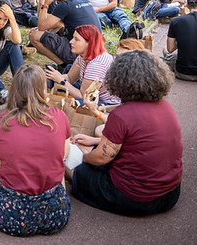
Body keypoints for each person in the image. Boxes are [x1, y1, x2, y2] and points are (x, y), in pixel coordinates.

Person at [69, 50, 182, 216]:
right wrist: (94, 141)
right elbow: (138, 140)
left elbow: (102, 157)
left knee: (80, 170)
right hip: (170, 193)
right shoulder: (166, 107)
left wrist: (83, 157)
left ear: (119, 80)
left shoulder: (122, 115)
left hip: (134, 198)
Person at [0, 65, 71, 237]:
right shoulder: (60, 117)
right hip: (55, 214)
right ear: (44, 89)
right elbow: (63, 156)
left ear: (14, 89)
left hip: (12, 215)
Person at [29, 0, 101, 67]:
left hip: (78, 54)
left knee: (34, 35)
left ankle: (62, 65)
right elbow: (55, 22)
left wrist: (46, 4)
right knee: (58, 25)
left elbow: (41, 27)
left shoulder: (65, 5)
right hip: (95, 50)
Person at [45, 24, 120, 106]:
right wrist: (53, 76)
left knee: (73, 103)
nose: (71, 41)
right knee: (65, 70)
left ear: (89, 43)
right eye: (73, 37)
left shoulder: (97, 65)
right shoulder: (84, 55)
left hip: (105, 103)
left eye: (76, 39)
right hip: (89, 92)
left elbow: (82, 96)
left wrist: (61, 80)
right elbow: (70, 78)